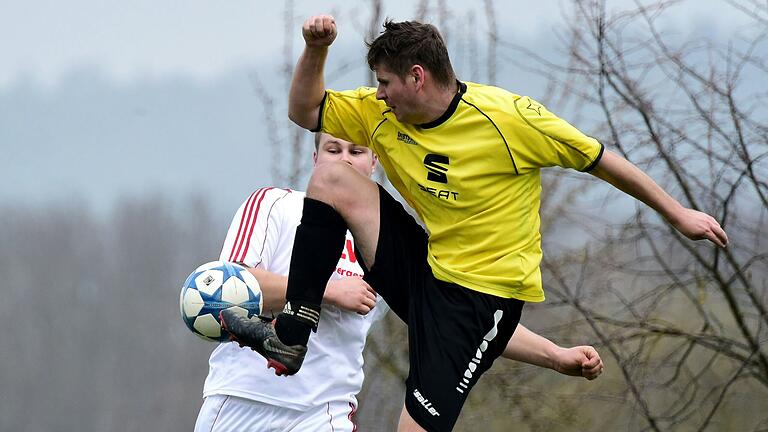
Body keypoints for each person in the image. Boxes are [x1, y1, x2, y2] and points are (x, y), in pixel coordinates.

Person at [222, 15, 719, 431]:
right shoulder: (381, 114)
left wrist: (678, 214)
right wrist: (315, 49)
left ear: (417, 77)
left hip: (480, 301)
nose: (379, 95)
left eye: (386, 83)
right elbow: (304, 109)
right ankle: (293, 330)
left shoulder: (510, 119)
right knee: (332, 176)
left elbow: (600, 159)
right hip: (427, 266)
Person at [200, 132, 604, 431]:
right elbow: (221, 289)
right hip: (247, 402)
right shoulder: (275, 204)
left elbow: (461, 322)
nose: (344, 161)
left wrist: (555, 355)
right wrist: (326, 290)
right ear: (315, 156)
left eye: (356, 152)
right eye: (332, 150)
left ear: (373, 161)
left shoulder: (381, 240)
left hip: (325, 414)